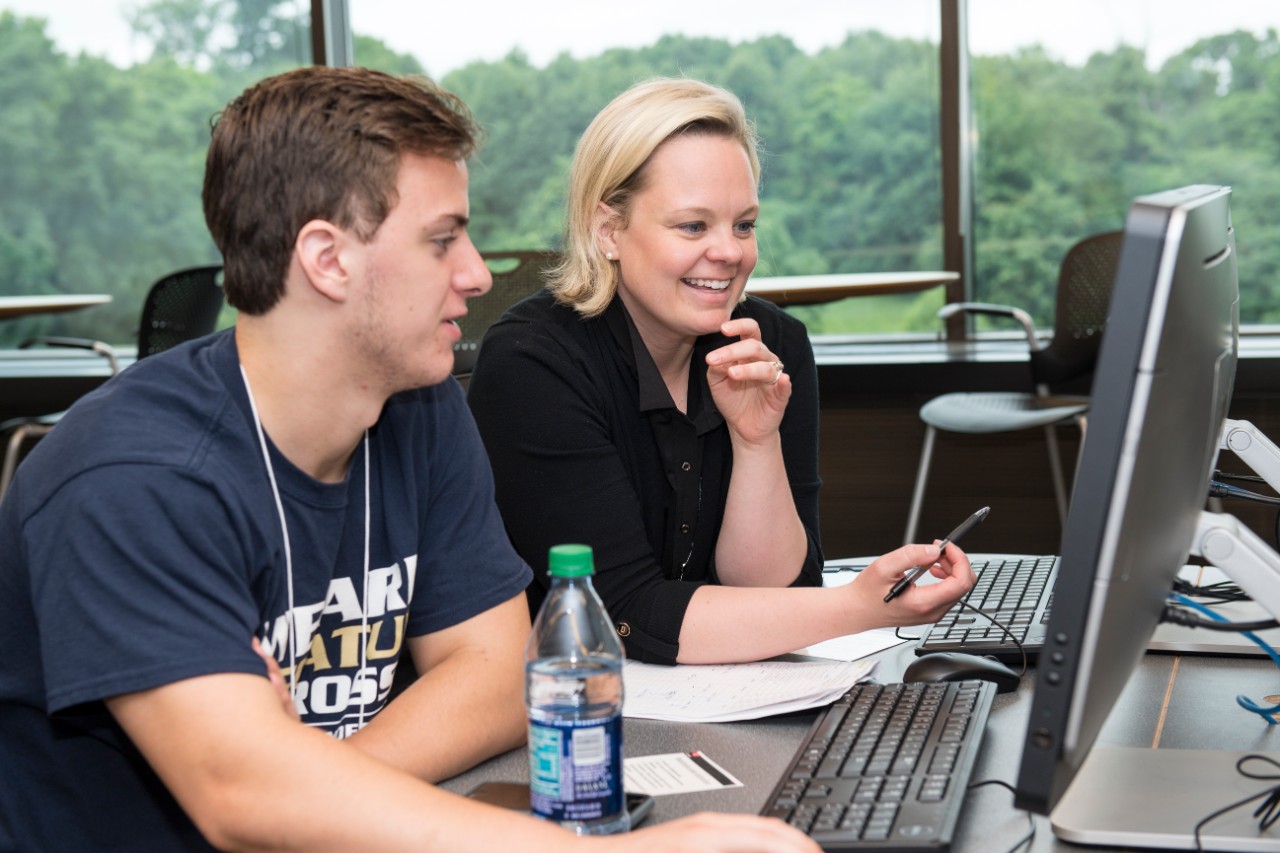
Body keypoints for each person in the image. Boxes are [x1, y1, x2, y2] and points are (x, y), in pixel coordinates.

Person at [0, 67, 820, 852]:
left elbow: (502, 678)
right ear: (328, 259)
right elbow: (239, 796)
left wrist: (300, 780)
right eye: (443, 240)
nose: (476, 273)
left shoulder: (418, 409)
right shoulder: (133, 479)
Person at [467, 77, 976, 666]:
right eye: (692, 226)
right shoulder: (535, 362)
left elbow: (774, 594)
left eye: (744, 224)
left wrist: (756, 441)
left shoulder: (773, 343)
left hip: (720, 700)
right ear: (608, 230)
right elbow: (622, 613)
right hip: (573, 710)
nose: (730, 253)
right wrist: (863, 605)